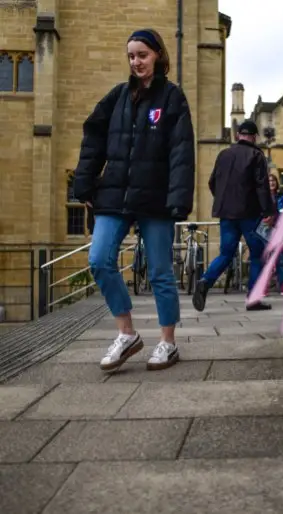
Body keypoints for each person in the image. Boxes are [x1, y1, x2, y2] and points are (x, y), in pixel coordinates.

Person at [73, 29, 195, 372]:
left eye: (142, 54)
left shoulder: (172, 98)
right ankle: (126, 334)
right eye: (131, 56)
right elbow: (93, 137)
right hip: (113, 193)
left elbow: (181, 152)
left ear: (157, 55)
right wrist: (85, 184)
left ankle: (168, 342)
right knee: (99, 260)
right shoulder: (117, 97)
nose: (136, 61)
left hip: (155, 197)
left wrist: (179, 199)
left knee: (159, 272)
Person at [193, 120, 276, 312]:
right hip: (249, 214)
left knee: (226, 253)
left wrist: (225, 201)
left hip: (226, 214)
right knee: (258, 254)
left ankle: (205, 281)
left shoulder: (223, 154)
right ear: (254, 137)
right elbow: (262, 186)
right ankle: (253, 299)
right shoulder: (257, 155)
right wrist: (269, 212)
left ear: (238, 135)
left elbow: (212, 182)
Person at [267, 173, 283, 294]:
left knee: (280, 258)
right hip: (264, 230)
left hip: (278, 229)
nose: (271, 183)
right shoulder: (262, 196)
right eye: (269, 181)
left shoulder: (281, 196)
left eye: (273, 181)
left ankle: (282, 285)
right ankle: (263, 287)